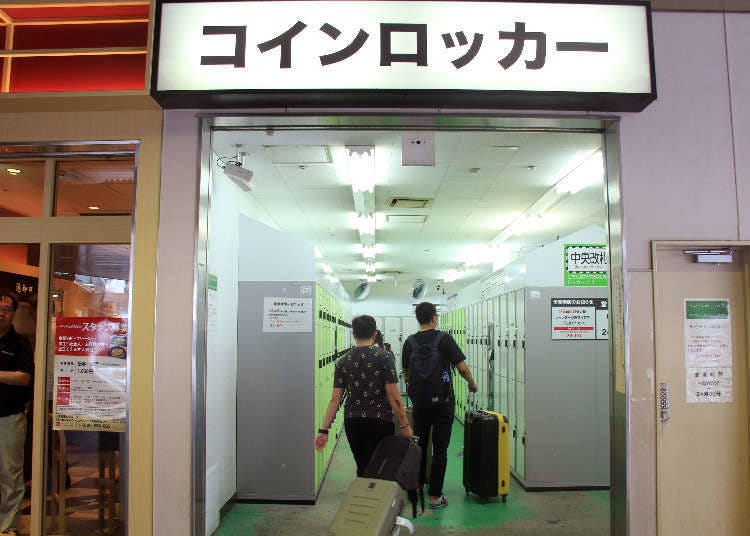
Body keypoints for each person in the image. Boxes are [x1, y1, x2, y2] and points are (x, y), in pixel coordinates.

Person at [315, 315, 413, 476]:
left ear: (353, 335)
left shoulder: (343, 361)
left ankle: (363, 497)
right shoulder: (384, 357)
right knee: (381, 468)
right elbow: (394, 397)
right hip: (381, 420)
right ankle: (378, 498)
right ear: (374, 334)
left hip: (353, 422)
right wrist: (404, 425)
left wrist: (323, 430)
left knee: (363, 467)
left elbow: (335, 400)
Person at [402, 301, 477, 509]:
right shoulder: (444, 339)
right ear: (434, 318)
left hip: (420, 404)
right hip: (443, 403)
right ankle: (435, 496)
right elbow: (462, 368)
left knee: (421, 445)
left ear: (418, 318)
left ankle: (417, 487)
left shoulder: (409, 342)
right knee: (441, 450)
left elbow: (406, 373)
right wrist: (472, 383)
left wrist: (418, 389)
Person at [0, 290, 34, 536]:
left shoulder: (19, 343)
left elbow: (24, 378)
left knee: (9, 475)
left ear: (13, 313)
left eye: (6, 309)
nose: (1, 314)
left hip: (9, 417)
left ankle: (7, 527)